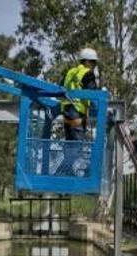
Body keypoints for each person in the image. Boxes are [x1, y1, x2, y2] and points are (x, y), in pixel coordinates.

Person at [56, 48, 99, 176]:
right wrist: (99, 108)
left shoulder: (70, 72)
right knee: (77, 146)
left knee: (70, 146)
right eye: (93, 62)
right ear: (86, 61)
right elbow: (92, 94)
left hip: (67, 113)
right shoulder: (88, 73)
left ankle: (65, 172)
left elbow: (61, 86)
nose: (94, 66)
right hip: (77, 113)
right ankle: (61, 173)